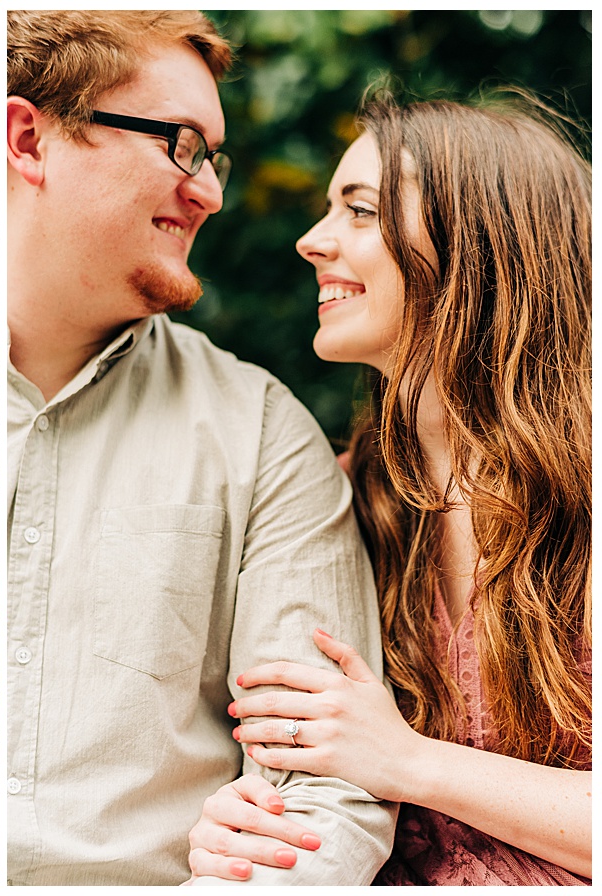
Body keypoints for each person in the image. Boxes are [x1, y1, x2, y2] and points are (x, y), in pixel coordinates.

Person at [5, 10, 397, 885]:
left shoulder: (263, 434)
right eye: (182, 144)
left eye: (214, 156)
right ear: (29, 139)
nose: (212, 192)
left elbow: (322, 800)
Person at [187, 91, 591, 885]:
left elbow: (382, 757)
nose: (311, 241)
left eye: (360, 210)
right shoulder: (340, 496)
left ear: (481, 245)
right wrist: (243, 826)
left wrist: (410, 761)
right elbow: (303, 770)